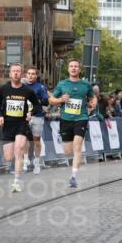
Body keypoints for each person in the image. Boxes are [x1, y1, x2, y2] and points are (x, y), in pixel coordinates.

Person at [0, 63, 41, 193]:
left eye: (18, 71)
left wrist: (31, 113)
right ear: (10, 74)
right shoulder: (3, 89)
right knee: (9, 157)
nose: (16, 73)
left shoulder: (27, 90)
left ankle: (16, 181)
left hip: (21, 124)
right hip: (8, 125)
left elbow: (37, 105)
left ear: (22, 74)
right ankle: (17, 164)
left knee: (19, 149)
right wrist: (0, 115)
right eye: (13, 71)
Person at [48, 59, 94, 189]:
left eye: (76, 66)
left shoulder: (86, 85)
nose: (73, 68)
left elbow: (92, 97)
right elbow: (51, 100)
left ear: (79, 69)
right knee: (68, 151)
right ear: (68, 69)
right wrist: (61, 100)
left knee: (77, 147)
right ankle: (74, 165)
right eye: (71, 66)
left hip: (81, 118)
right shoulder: (62, 84)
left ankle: (73, 177)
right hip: (66, 119)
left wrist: (93, 102)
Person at [23, 66, 51, 174]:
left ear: (36, 76)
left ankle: (37, 162)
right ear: (26, 75)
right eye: (29, 73)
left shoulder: (40, 87)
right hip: (24, 116)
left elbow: (46, 102)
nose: (30, 76)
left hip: (37, 116)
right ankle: (25, 160)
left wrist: (39, 100)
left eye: (33, 74)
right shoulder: (22, 86)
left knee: (36, 140)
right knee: (25, 138)